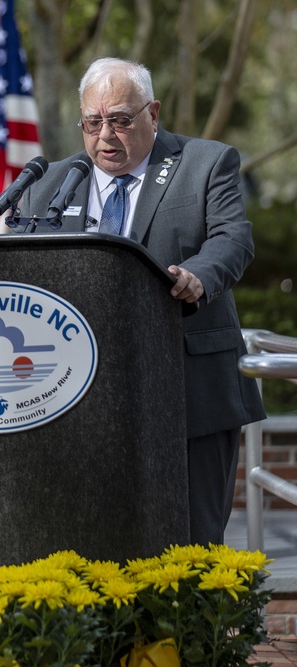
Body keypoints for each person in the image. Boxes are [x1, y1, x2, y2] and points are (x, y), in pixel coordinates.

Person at [24, 57, 265, 545]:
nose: (105, 137)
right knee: (94, 542)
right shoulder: (52, 184)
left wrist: (200, 274)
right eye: (93, 123)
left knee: (193, 542)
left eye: (120, 120)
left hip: (189, 386)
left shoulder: (205, 163)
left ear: (153, 113)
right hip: (83, 398)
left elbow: (233, 238)